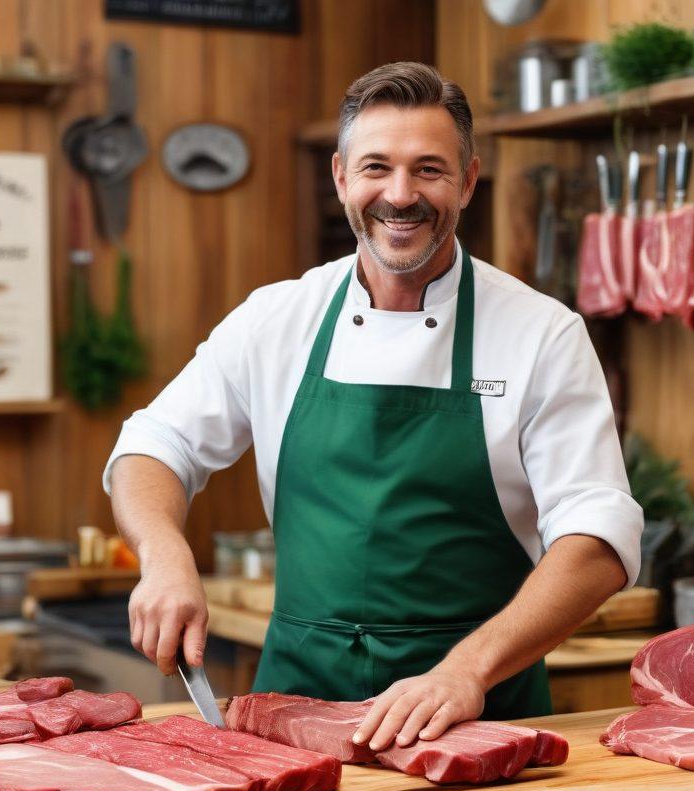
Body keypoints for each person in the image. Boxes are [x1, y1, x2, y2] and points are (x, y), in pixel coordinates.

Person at [104, 61, 643, 753]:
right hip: (293, 712)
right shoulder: (278, 318)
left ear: (469, 180)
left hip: (475, 718)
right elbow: (155, 444)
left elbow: (597, 535)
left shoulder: (542, 333)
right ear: (340, 178)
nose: (400, 195)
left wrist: (464, 671)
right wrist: (164, 554)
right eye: (377, 168)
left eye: (429, 170)